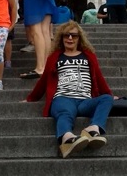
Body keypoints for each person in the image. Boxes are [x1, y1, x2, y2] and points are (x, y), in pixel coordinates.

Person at [22, 21, 114, 159]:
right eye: (66, 35)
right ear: (61, 37)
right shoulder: (55, 57)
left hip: (85, 100)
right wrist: (31, 98)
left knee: (107, 99)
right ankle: (67, 138)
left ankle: (93, 129)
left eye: (74, 35)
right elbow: (43, 80)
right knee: (65, 113)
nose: (70, 38)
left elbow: (99, 78)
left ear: (79, 38)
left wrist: (109, 94)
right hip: (63, 98)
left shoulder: (89, 56)